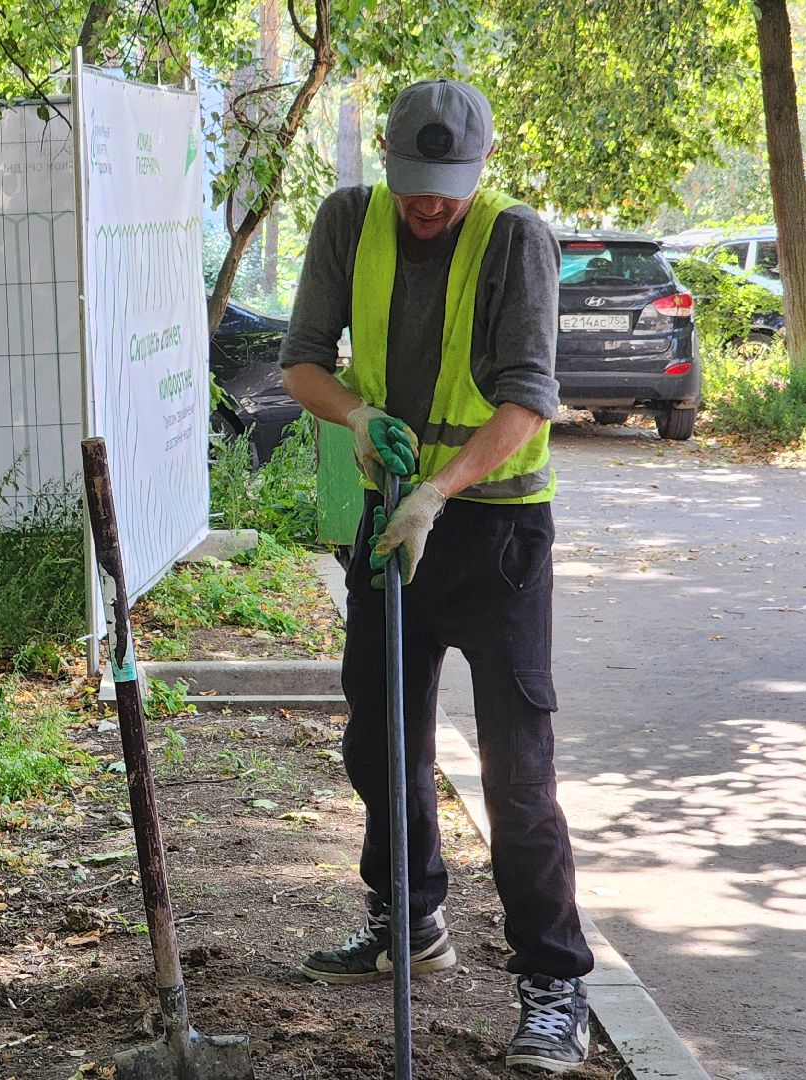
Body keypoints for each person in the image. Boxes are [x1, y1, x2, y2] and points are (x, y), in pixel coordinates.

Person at [277, 78, 595, 1073]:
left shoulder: (516, 240)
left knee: (518, 771)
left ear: (477, 168)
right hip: (390, 524)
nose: (428, 205)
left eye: (445, 187)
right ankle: (406, 919)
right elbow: (300, 363)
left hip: (495, 536)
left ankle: (553, 986)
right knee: (378, 740)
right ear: (388, 165)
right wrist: (357, 420)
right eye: (414, 185)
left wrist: (440, 489)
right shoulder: (347, 221)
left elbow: (528, 402)